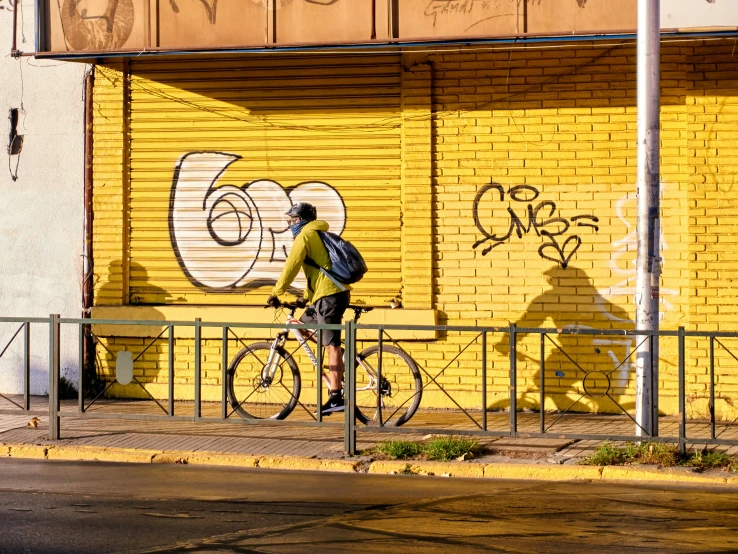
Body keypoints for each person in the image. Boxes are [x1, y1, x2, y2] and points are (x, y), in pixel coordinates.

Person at [267, 202, 351, 415]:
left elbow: (291, 266)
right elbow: (318, 270)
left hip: (329, 296)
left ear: (302, 220)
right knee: (303, 325)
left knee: (331, 345)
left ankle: (335, 398)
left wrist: (276, 292)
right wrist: (305, 298)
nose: (291, 224)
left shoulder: (305, 236)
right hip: (325, 294)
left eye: (293, 220)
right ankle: (340, 357)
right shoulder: (316, 234)